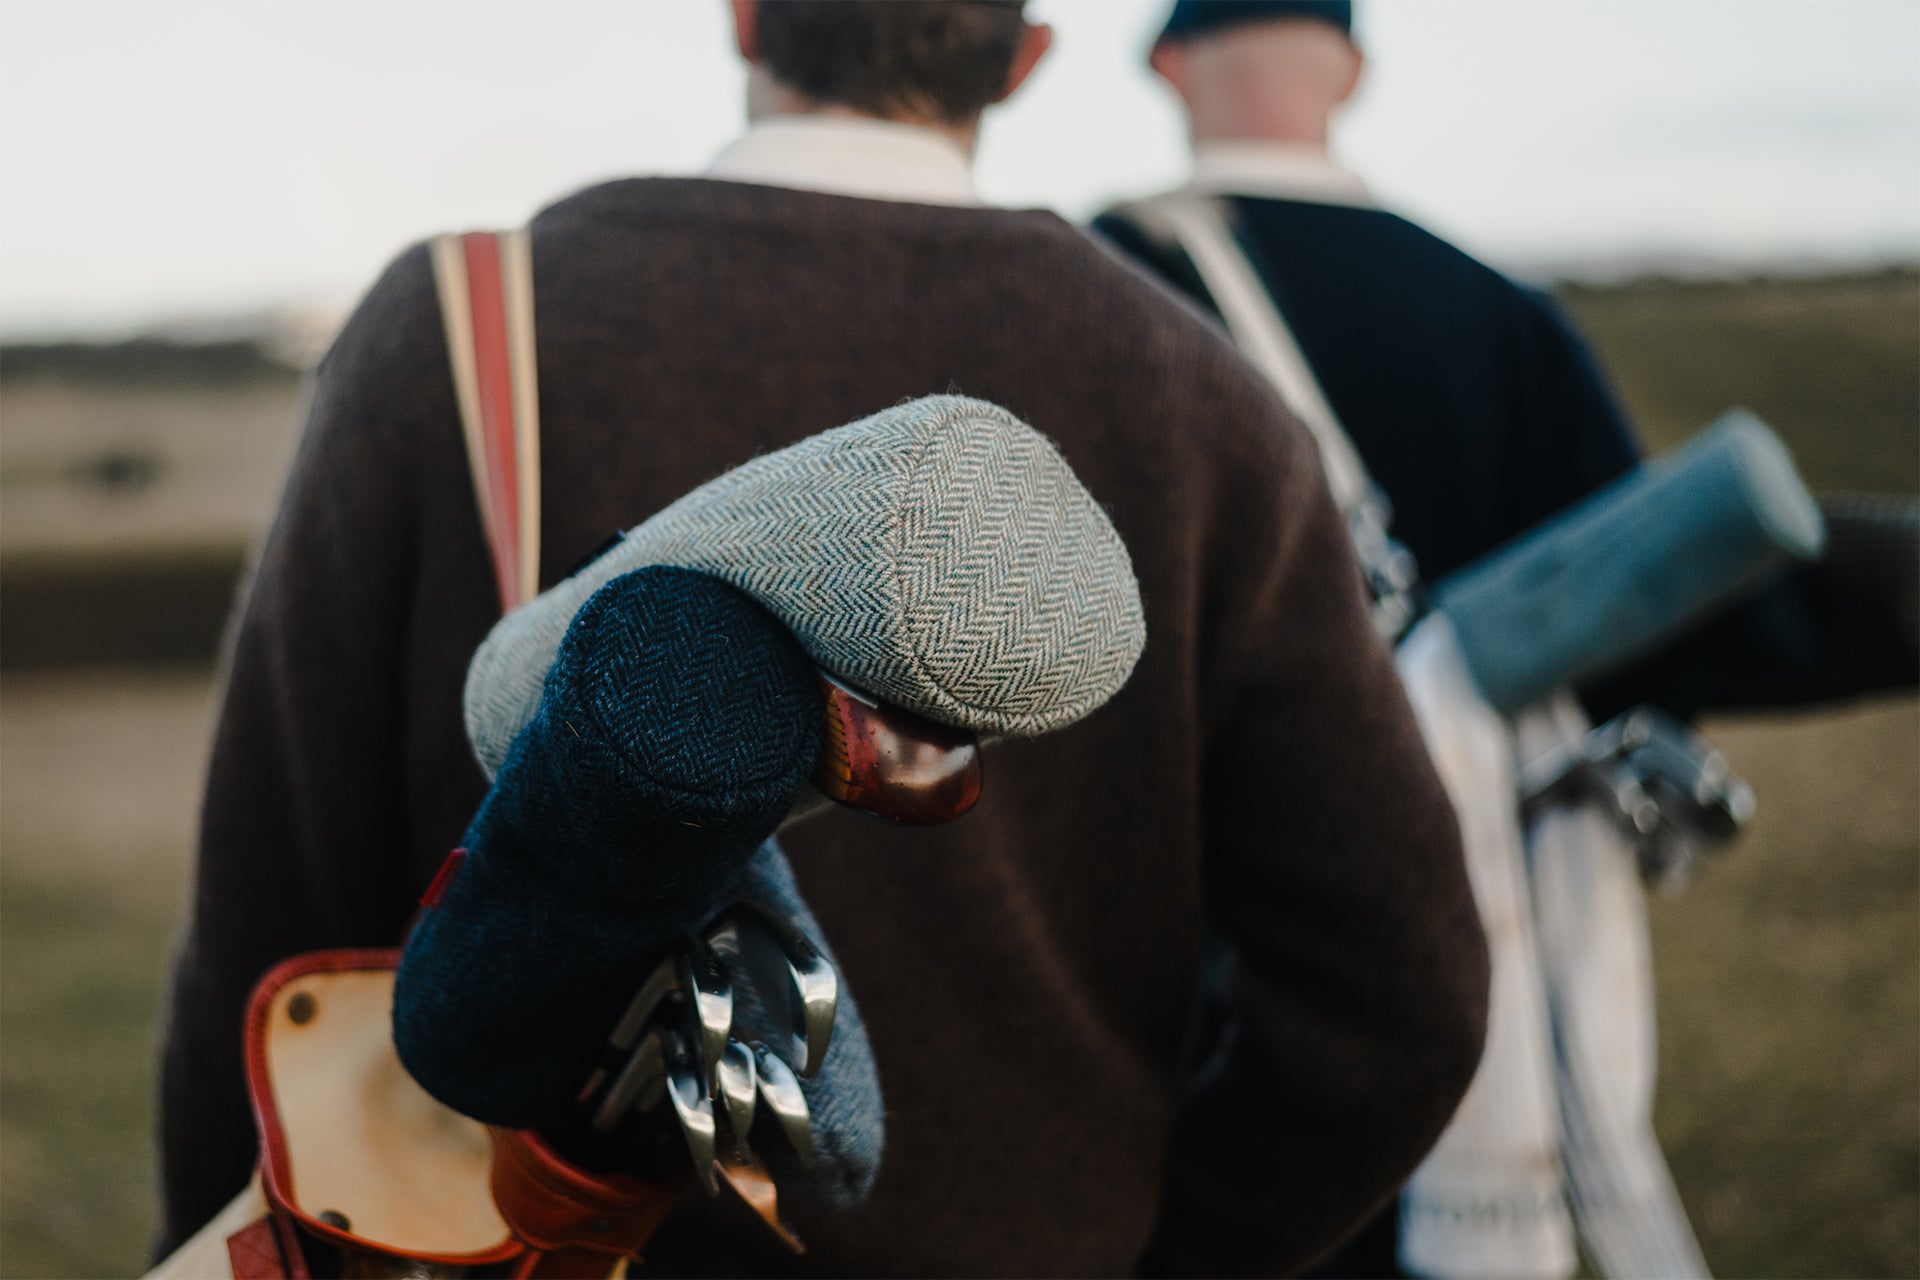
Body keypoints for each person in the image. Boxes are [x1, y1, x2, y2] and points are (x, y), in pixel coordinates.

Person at [156, 3, 1492, 1275]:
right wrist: (1154, 1252)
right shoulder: (1201, 391)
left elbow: (270, 897)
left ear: (746, 15)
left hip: (512, 1252)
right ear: (1022, 57)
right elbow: (1403, 995)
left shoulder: (455, 324)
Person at [1095, 3, 1917, 1276]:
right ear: (1355, 72)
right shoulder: (1497, 313)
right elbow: (1669, 630)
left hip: (1162, 971)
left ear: (1165, 61)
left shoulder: (1091, 294)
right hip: (1450, 948)